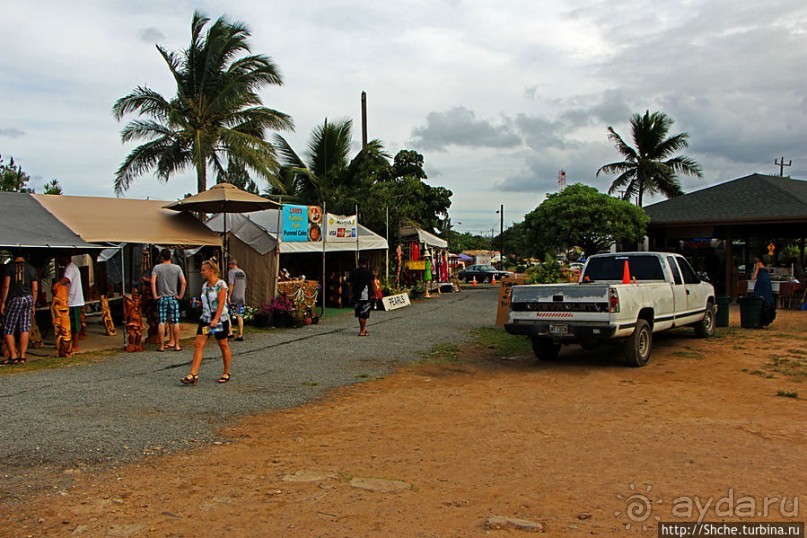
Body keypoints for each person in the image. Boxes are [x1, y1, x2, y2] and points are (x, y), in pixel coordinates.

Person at [180, 258, 231, 385]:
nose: (201, 272)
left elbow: (221, 303)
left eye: (203, 270)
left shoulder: (221, 285)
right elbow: (207, 300)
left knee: (223, 344)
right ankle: (193, 373)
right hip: (206, 318)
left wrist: (216, 319)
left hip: (219, 319)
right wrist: (199, 303)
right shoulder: (205, 286)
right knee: (198, 344)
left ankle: (226, 371)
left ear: (211, 271)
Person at [0, 253, 38, 364]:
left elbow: (6, 286)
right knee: (24, 327)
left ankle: (13, 356)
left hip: (15, 298)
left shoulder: (10, 267)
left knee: (8, 328)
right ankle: (22, 356)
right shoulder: (31, 268)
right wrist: (33, 304)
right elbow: (35, 288)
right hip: (28, 298)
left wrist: (2, 302)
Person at [150, 249, 186, 352]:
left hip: (162, 297)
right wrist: (180, 295)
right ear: (170, 257)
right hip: (173, 297)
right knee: (175, 322)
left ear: (161, 257)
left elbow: (153, 282)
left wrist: (155, 295)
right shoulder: (177, 268)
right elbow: (183, 282)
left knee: (161, 322)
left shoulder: (157, 268)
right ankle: (177, 345)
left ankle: (161, 346)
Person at [52, 254, 84, 353]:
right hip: (70, 301)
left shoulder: (70, 268)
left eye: (60, 258)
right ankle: (66, 344)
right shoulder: (71, 268)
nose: (59, 261)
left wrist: (57, 284)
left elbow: (66, 279)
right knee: (68, 324)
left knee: (74, 324)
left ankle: (75, 345)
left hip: (74, 301)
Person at [349, 257, 376, 337]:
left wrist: (351, 294)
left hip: (356, 295)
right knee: (364, 313)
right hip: (365, 295)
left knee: (359, 312)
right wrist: (375, 294)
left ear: (358, 263)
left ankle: (362, 328)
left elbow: (351, 285)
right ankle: (362, 331)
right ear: (366, 263)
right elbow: (372, 284)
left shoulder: (354, 272)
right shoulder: (369, 273)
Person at [752, 254, 776, 326]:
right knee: (767, 293)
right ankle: (768, 303)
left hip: (761, 279)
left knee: (758, 292)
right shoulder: (766, 265)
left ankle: (758, 304)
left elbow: (756, 273)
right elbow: (768, 271)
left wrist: (753, 277)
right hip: (767, 279)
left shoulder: (758, 263)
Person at [227, 259, 247, 341]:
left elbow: (231, 284)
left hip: (234, 297)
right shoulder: (242, 272)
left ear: (232, 264)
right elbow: (245, 284)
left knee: (227, 314)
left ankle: (230, 332)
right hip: (241, 296)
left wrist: (229, 296)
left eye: (229, 264)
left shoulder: (231, 272)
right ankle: (240, 335)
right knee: (239, 316)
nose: (228, 266)